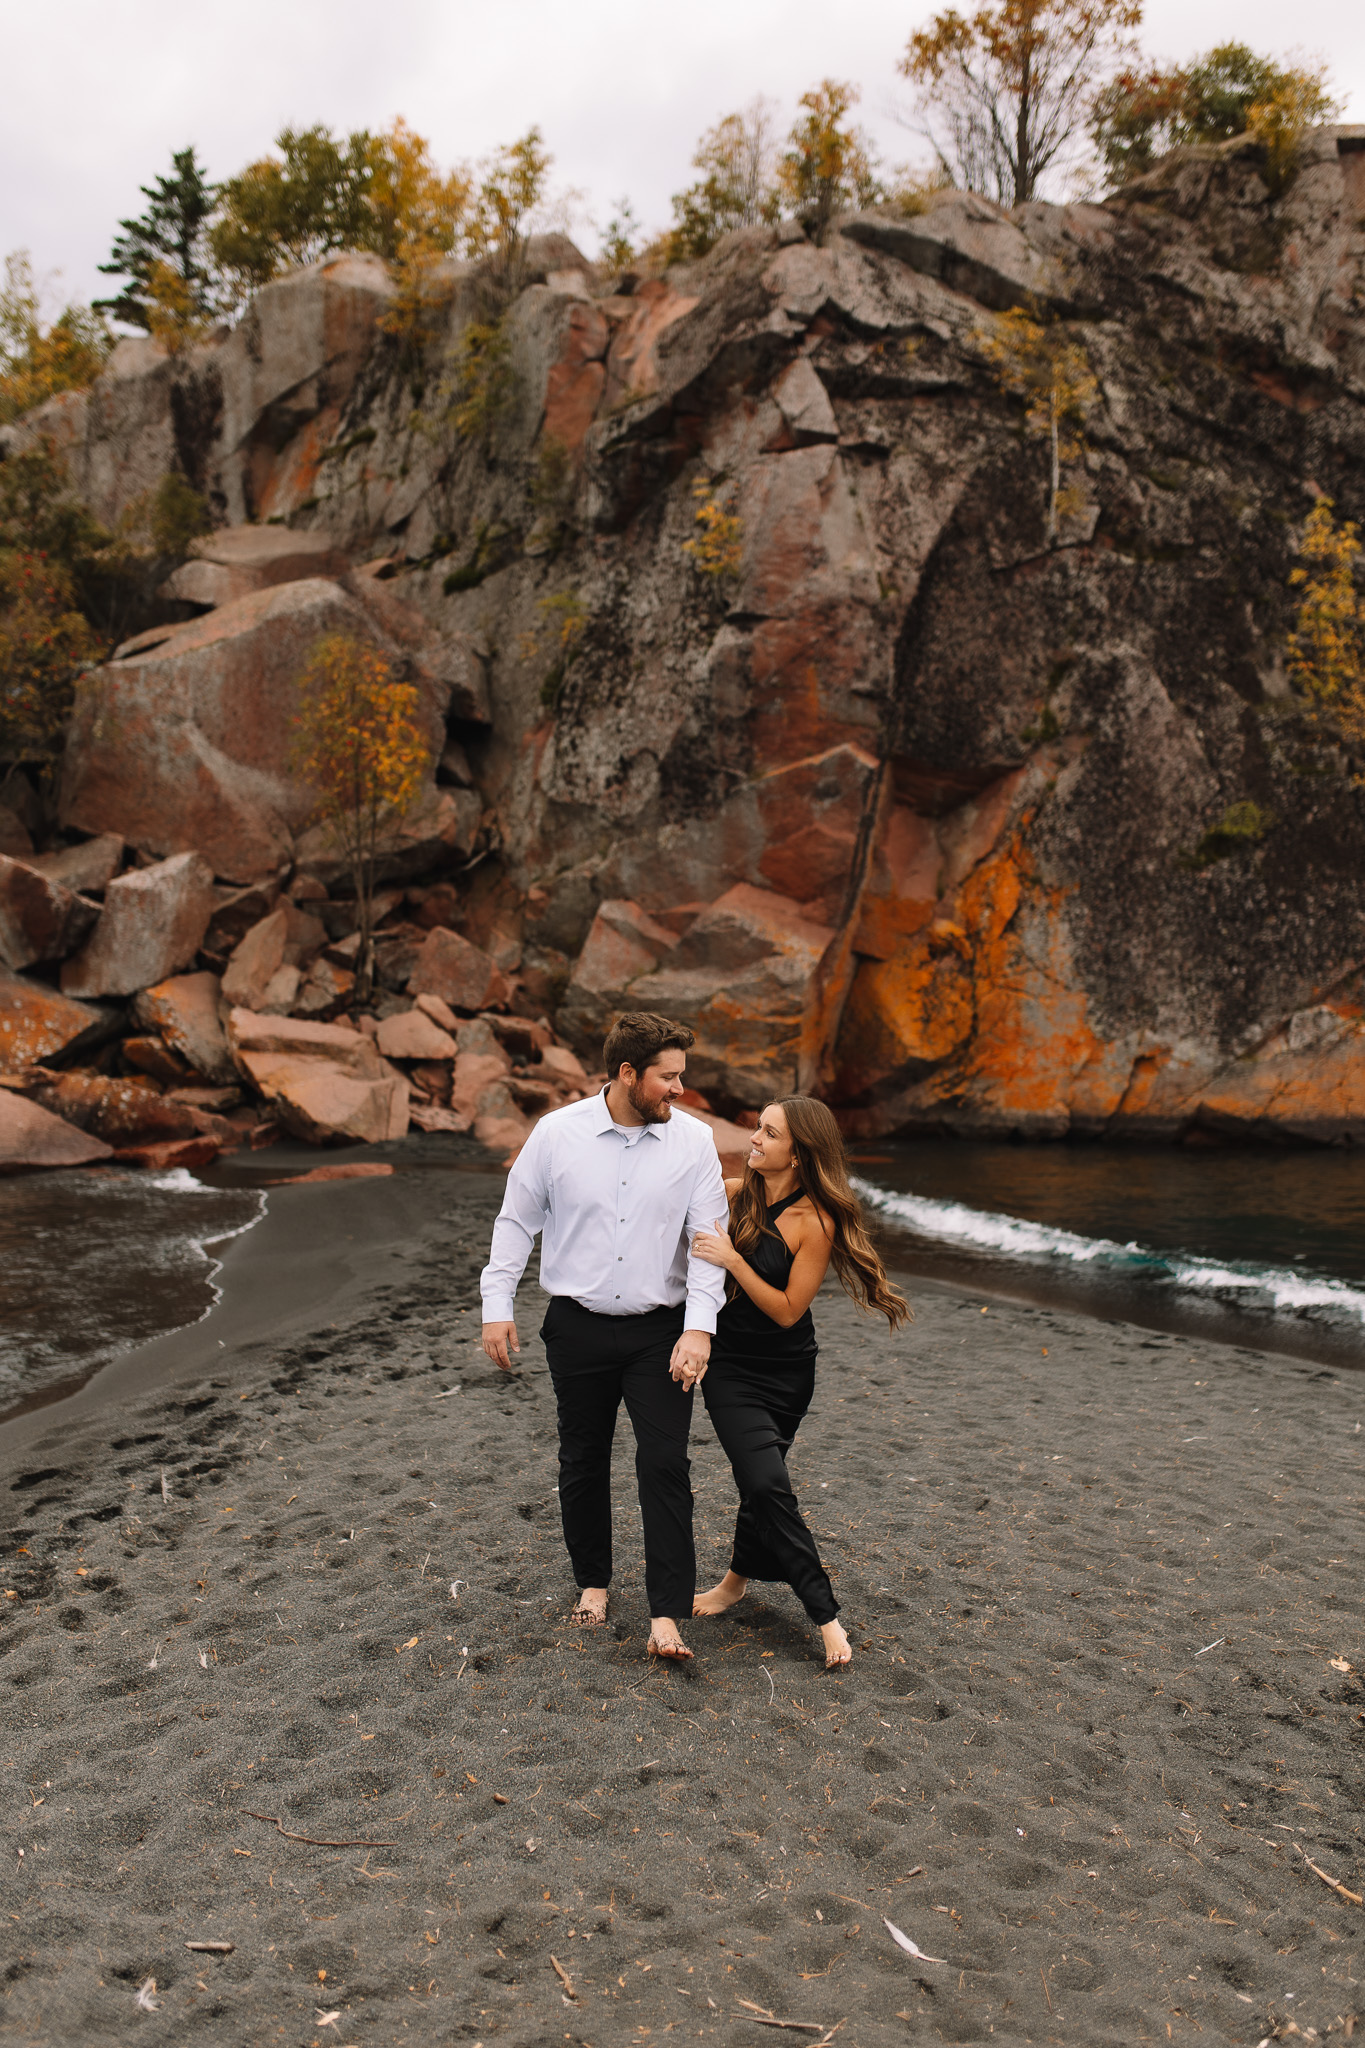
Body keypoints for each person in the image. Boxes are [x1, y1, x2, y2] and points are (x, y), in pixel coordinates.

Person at [480, 1012, 726, 1662]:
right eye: (667, 1077)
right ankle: (592, 1582)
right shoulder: (556, 1135)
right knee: (582, 1459)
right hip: (576, 1327)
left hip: (661, 1333)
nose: (678, 1088)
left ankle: (666, 1616)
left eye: (680, 1075)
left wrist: (699, 1329)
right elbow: (515, 1221)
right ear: (625, 1074)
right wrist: (495, 1305)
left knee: (665, 1464)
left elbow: (708, 1247)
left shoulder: (694, 1142)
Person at [684, 1095, 911, 1670]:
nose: (754, 1140)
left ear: (798, 1151)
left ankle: (735, 1582)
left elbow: (787, 1310)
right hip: (731, 1368)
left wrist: (734, 1262)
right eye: (757, 1129)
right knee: (766, 1482)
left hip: (788, 1372)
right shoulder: (735, 1195)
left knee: (764, 1482)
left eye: (767, 1133)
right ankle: (826, 1615)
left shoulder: (817, 1221)